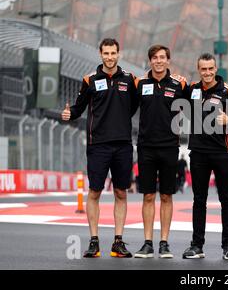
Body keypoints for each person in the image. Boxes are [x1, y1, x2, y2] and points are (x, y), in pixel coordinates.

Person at [61, 38, 138, 258]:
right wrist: (69, 114)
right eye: (106, 53)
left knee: (121, 192)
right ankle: (94, 241)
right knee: (94, 191)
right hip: (98, 145)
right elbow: (78, 108)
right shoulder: (90, 80)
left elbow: (133, 106)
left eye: (113, 53)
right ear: (100, 54)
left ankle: (118, 242)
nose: (110, 57)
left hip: (123, 145)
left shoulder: (130, 79)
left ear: (119, 54)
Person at [182, 53, 228, 260]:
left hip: (223, 153)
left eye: (210, 68)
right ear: (199, 69)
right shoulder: (192, 90)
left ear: (216, 69)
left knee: (226, 199)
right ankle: (197, 245)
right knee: (198, 200)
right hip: (198, 153)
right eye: (203, 69)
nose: (207, 72)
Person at [133, 44, 189, 259]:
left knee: (166, 195)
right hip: (146, 147)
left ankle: (164, 243)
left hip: (169, 147)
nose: (158, 61)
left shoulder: (179, 84)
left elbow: (195, 105)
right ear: (150, 61)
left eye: (162, 57)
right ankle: (147, 243)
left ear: (168, 60)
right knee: (148, 196)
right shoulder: (140, 83)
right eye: (154, 57)